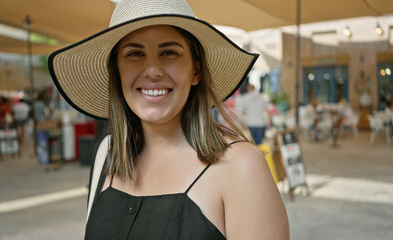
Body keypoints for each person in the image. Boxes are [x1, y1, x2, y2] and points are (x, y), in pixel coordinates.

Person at [49, 0, 289, 239]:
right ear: (117, 72)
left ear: (196, 71)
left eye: (169, 52)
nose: (152, 70)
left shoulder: (241, 166)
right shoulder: (107, 154)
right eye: (134, 53)